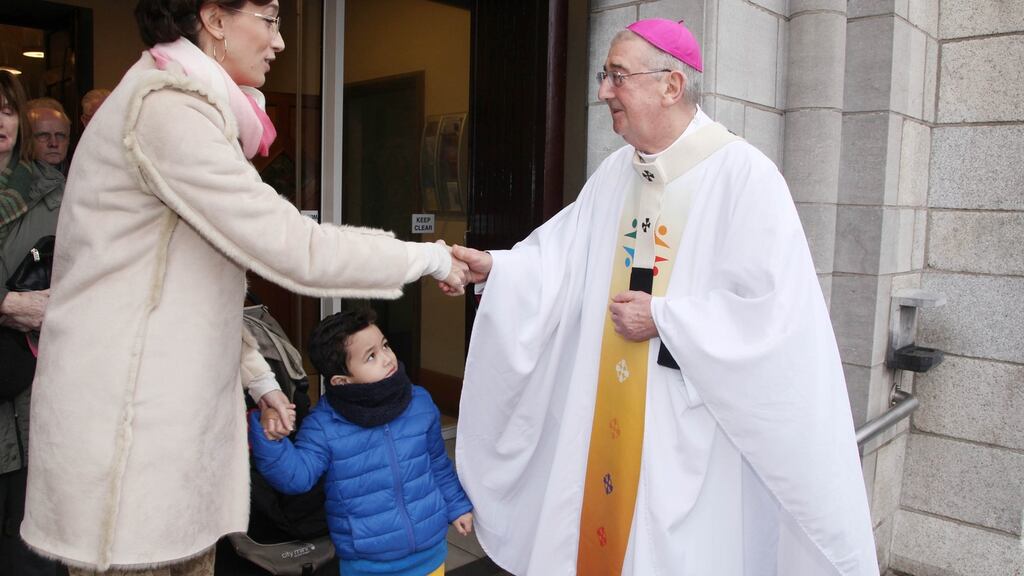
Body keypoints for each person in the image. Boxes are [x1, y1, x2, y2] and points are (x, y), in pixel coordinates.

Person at [21, 1, 467, 574]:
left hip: (159, 425)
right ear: (214, 18)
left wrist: (259, 381)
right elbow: (292, 246)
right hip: (129, 434)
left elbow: (190, 287)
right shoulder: (165, 109)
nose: (280, 41)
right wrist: (428, 257)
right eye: (271, 17)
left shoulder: (187, 106)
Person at [448, 18, 877, 576]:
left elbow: (777, 318)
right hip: (606, 407)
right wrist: (496, 268)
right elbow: (560, 261)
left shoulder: (745, 177)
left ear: (671, 85)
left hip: (687, 428)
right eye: (605, 75)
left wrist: (667, 320)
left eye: (617, 76)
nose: (603, 91)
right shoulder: (614, 174)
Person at [249, 308, 474, 576]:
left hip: (430, 552)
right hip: (368, 564)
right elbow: (297, 477)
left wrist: (457, 506)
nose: (387, 358)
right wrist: (271, 439)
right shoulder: (324, 424)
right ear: (341, 381)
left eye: (385, 345)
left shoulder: (419, 402)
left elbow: (437, 463)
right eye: (371, 356)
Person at [0, 71, 65, 576]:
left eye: (5, 110)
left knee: (31, 529)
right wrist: (5, 303)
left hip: (33, 375)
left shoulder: (52, 189)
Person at [26, 106, 71, 173]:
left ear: (68, 141)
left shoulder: (82, 173)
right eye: (43, 135)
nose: (54, 143)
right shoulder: (18, 179)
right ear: (27, 140)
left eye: (60, 136)